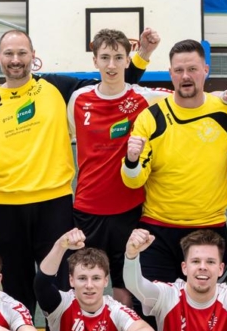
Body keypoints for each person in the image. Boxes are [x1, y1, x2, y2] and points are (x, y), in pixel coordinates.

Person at [0, 28, 157, 318]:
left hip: (54, 204)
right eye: (9, 53)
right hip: (6, 208)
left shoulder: (58, 87)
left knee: (60, 289)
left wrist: (143, 55)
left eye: (22, 53)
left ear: (33, 56)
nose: (15, 59)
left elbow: (114, 81)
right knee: (16, 289)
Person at [121, 40, 227, 286]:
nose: (185, 76)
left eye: (192, 69)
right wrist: (131, 160)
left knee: (209, 307)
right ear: (170, 73)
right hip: (157, 230)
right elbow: (133, 181)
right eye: (179, 70)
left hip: (209, 229)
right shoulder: (151, 118)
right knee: (154, 308)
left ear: (206, 70)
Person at [66, 29, 171, 309]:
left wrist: (225, 95)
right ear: (95, 61)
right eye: (104, 57)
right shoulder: (78, 99)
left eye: (118, 57)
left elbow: (190, 97)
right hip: (87, 209)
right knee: (87, 282)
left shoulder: (145, 98)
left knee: (125, 286)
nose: (111, 65)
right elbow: (69, 136)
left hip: (129, 209)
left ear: (128, 60)